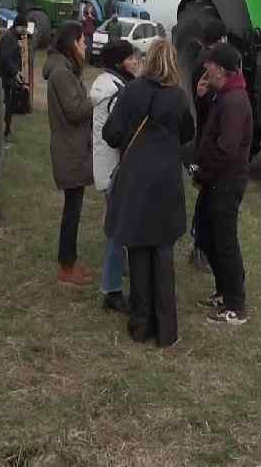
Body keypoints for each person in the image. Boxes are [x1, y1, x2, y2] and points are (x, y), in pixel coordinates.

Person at [102, 39, 195, 347]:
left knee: (139, 248)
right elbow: (188, 134)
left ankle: (140, 325)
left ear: (148, 59)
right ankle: (167, 330)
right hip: (166, 179)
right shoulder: (179, 98)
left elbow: (111, 134)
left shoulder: (132, 92)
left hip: (137, 178)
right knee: (163, 250)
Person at [193, 42, 253, 325]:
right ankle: (223, 290)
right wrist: (202, 100)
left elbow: (226, 149)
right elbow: (207, 130)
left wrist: (203, 173)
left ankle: (236, 306)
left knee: (225, 242)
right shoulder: (222, 96)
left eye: (210, 64)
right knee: (205, 235)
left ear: (222, 69)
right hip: (214, 180)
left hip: (225, 182)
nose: (206, 67)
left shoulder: (235, 101)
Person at [89, 39, 140, 313]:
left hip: (106, 167)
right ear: (121, 62)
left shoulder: (107, 85)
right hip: (115, 170)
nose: (136, 63)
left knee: (116, 227)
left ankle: (118, 276)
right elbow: (118, 134)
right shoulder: (116, 93)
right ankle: (112, 291)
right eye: (132, 58)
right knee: (117, 231)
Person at [44, 21, 95, 285]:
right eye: (82, 40)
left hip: (72, 147)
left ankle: (70, 261)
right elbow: (75, 111)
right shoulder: (62, 74)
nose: (85, 45)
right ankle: (66, 267)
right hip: (70, 150)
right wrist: (97, 99)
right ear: (72, 43)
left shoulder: (65, 70)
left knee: (73, 207)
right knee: (72, 210)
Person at [188, 19, 228, 272]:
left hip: (205, 133)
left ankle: (200, 246)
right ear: (220, 38)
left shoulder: (203, 61)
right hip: (207, 135)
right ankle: (199, 248)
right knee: (206, 196)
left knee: (207, 194)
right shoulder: (207, 66)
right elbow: (207, 100)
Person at [0, 14, 27, 141]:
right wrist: (15, 73)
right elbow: (6, 59)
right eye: (24, 27)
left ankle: (6, 132)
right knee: (7, 107)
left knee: (9, 107)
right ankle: (4, 134)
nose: (25, 31)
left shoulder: (13, 37)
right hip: (6, 79)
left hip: (9, 77)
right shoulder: (9, 39)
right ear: (18, 26)